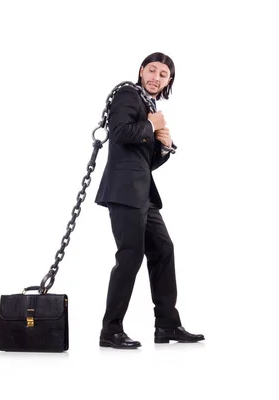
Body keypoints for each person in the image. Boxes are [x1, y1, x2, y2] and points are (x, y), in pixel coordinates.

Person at [94, 52, 204, 349]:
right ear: (141, 71)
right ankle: (110, 330)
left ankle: (167, 325)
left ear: (169, 81)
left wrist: (165, 148)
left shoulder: (148, 104)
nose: (156, 77)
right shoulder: (127, 95)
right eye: (152, 70)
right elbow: (118, 133)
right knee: (130, 256)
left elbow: (143, 162)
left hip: (142, 193)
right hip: (124, 191)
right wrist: (152, 125)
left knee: (163, 250)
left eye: (163, 74)